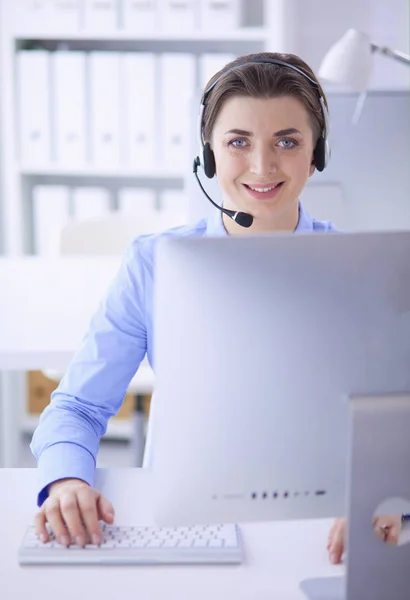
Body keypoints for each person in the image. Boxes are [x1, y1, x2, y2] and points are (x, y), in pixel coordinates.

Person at [30, 51, 400, 561]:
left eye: (287, 142)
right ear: (208, 155)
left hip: (319, 533)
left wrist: (389, 497)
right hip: (191, 528)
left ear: (317, 153)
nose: (262, 166)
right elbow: (77, 406)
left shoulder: (363, 267)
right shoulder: (155, 263)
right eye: (238, 142)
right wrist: (66, 480)